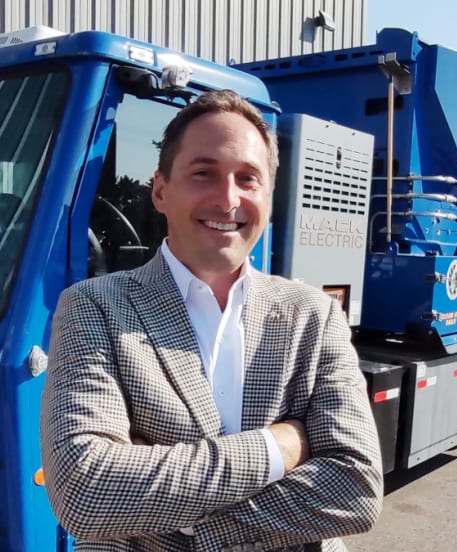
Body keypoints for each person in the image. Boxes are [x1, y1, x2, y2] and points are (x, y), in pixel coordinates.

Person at [40, 89, 383, 551]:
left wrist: (169, 517)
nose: (227, 200)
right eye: (204, 173)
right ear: (160, 190)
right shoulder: (94, 306)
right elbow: (86, 493)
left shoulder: (313, 316)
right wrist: (277, 449)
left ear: (268, 195)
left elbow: (355, 490)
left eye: (248, 179)